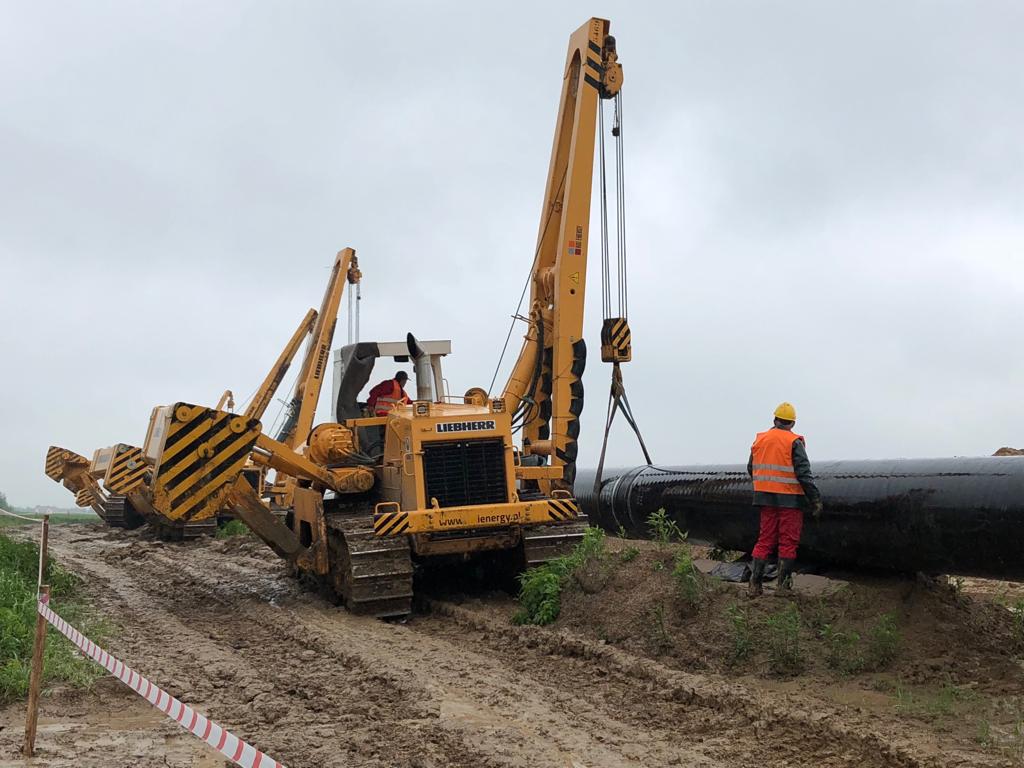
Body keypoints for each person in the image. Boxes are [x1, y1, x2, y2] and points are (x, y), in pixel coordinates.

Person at [746, 402, 823, 598]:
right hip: (790, 500)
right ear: (792, 423)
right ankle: (783, 587)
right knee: (788, 542)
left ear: (775, 420)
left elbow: (751, 468)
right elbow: (804, 474)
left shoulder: (760, 440)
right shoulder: (793, 441)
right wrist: (815, 500)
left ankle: (754, 586)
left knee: (764, 540)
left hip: (765, 498)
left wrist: (765, 486)